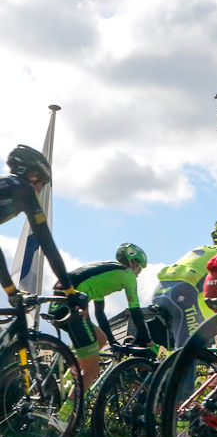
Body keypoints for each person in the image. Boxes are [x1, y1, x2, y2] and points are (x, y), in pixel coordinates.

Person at [51, 243, 151, 390]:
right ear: (132, 262)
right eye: (140, 268)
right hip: (73, 306)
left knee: (100, 339)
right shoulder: (127, 274)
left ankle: (67, 379)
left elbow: (100, 313)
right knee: (93, 370)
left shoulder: (106, 271)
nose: (138, 273)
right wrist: (148, 340)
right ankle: (67, 412)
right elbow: (135, 311)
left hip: (59, 304)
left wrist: (112, 341)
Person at [0, 145, 82, 306]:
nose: (41, 190)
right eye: (43, 184)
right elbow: (46, 243)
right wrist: (69, 290)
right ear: (34, 175)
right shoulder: (25, 189)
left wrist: (11, 291)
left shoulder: (7, 182)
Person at [152, 221, 217, 347]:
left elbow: (204, 303)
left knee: (178, 347)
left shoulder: (203, 249)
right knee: (190, 347)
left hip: (160, 292)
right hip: (183, 290)